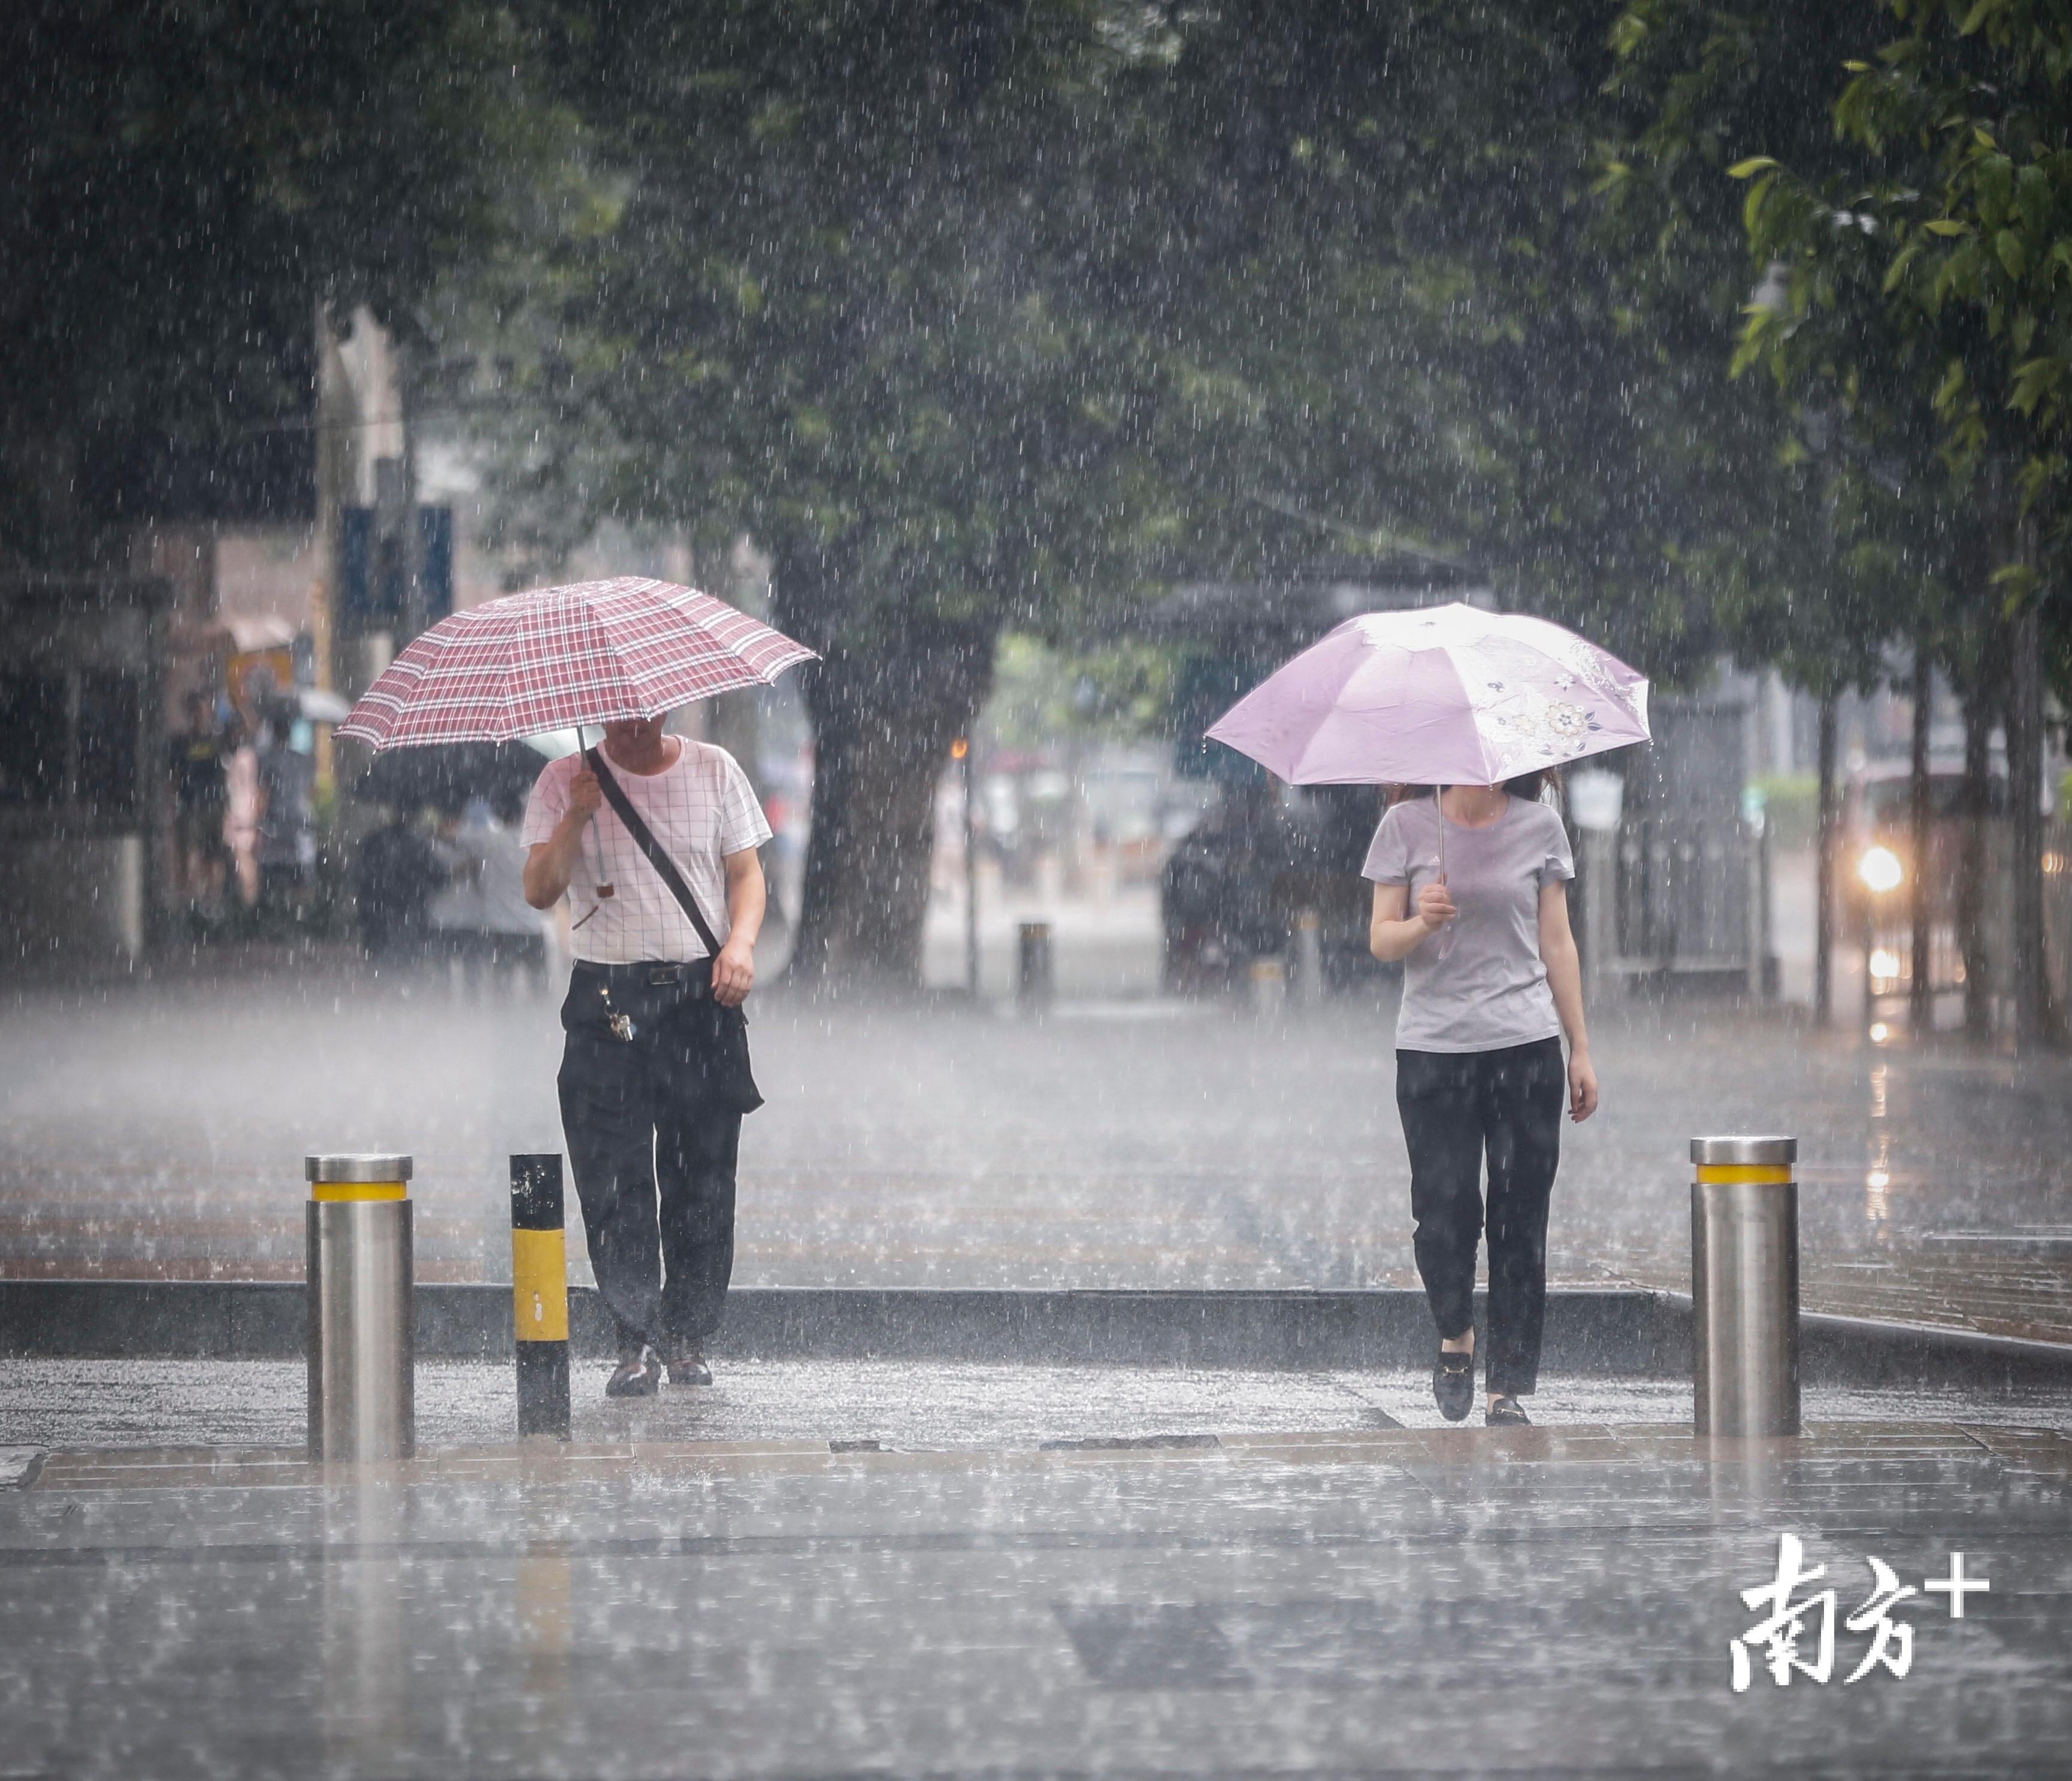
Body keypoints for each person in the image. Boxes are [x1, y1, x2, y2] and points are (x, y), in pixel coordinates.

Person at [521, 715, 770, 1398]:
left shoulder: (715, 769)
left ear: (665, 704)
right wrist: (576, 814)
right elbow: (540, 889)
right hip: (608, 1000)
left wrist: (741, 944)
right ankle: (634, 1337)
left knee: (702, 1179)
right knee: (613, 1181)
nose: (633, 723)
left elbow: (746, 875)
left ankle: (687, 1336)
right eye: (618, 713)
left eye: (646, 710)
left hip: (700, 995)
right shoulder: (561, 780)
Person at [1365, 775, 1598, 1428]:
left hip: (1525, 1047)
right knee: (1444, 1216)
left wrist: (1579, 1046)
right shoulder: (1406, 827)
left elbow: (1557, 942)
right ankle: (1456, 1335)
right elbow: (1381, 939)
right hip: (1433, 1051)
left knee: (1520, 1220)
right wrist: (1421, 921)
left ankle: (1509, 1385)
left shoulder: (1539, 826)